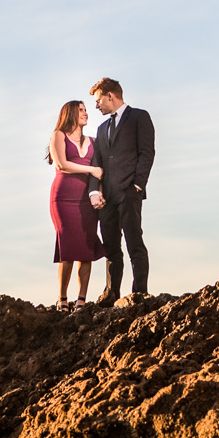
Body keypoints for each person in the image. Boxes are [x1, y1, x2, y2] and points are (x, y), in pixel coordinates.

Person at [87, 77, 155, 305]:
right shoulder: (101, 128)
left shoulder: (139, 117)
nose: (96, 105)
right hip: (107, 197)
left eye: (98, 100)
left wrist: (137, 184)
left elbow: (147, 152)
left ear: (110, 96)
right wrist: (94, 191)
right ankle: (111, 292)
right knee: (111, 247)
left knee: (134, 242)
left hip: (129, 191)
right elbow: (97, 163)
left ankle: (139, 292)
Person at [46, 100, 104, 307]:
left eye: (86, 110)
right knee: (68, 248)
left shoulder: (94, 141)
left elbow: (101, 172)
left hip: (86, 199)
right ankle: (62, 299)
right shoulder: (58, 136)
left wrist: (100, 192)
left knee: (86, 248)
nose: (86, 113)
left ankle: (81, 300)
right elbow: (62, 164)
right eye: (81, 110)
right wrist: (91, 170)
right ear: (70, 113)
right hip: (63, 198)